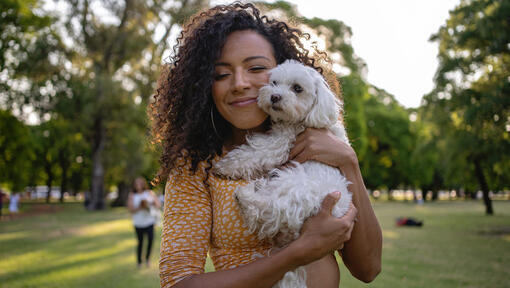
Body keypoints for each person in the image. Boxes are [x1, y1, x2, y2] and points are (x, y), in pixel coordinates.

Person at [151, 3, 382, 288]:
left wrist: (349, 163)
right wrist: (297, 253)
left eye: (256, 68)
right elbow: (178, 283)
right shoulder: (197, 165)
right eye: (221, 74)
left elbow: (368, 269)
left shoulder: (324, 144)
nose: (239, 83)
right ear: (203, 87)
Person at [127, 177, 161, 268]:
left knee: (150, 240)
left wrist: (151, 204)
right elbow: (130, 209)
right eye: (136, 183)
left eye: (140, 183)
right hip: (138, 223)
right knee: (140, 242)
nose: (138, 185)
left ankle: (147, 259)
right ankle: (139, 261)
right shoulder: (132, 195)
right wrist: (140, 207)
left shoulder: (149, 193)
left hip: (149, 222)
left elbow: (158, 205)